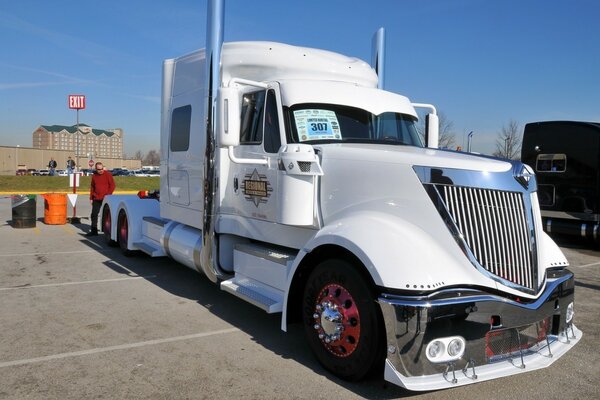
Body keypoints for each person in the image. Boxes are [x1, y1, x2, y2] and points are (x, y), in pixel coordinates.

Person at [88, 162, 115, 236]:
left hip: (106, 198)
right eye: (99, 169)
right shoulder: (94, 176)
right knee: (94, 214)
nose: (101, 170)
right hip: (96, 198)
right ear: (96, 169)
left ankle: (107, 231)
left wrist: (108, 195)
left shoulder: (108, 174)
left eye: (102, 168)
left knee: (106, 215)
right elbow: (92, 187)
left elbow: (112, 185)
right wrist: (91, 198)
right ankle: (94, 231)